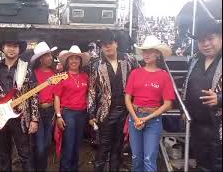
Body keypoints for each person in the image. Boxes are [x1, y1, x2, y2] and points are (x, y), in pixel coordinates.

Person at [87, 31, 138, 171]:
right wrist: (91, 114)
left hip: (126, 111)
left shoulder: (129, 60)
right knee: (103, 147)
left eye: (110, 43)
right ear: (101, 47)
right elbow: (91, 90)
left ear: (116, 43)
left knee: (118, 148)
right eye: (104, 45)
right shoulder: (96, 65)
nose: (107, 47)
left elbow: (139, 80)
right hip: (105, 112)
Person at [125, 35, 175, 172]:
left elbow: (168, 104)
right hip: (135, 118)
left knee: (149, 158)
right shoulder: (135, 73)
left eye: (150, 51)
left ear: (157, 54)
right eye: (144, 51)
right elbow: (127, 98)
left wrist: (146, 118)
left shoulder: (164, 75)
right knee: (136, 156)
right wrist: (135, 118)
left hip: (153, 119)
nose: (146, 54)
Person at [0, 35, 39, 171]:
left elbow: (34, 94)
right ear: (3, 48)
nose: (12, 49)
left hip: (21, 117)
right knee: (3, 155)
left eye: (15, 46)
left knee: (25, 155)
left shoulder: (27, 69)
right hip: (0, 116)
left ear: (19, 49)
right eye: (9, 46)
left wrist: (34, 119)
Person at [182, 19, 222, 172]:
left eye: (210, 38)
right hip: (198, 125)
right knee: (202, 164)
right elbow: (187, 86)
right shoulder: (194, 60)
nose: (205, 43)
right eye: (201, 40)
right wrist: (184, 110)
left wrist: (219, 99)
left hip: (218, 127)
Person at [54, 45, 90, 171]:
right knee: (68, 147)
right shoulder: (62, 76)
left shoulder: (85, 76)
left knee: (76, 146)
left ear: (80, 61)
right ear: (67, 61)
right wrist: (58, 116)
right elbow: (57, 97)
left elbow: (88, 95)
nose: (74, 61)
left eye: (77, 58)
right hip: (68, 113)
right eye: (71, 58)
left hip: (82, 113)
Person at [30, 41, 57, 171]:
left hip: (51, 111)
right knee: (40, 146)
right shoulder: (33, 73)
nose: (51, 58)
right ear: (41, 59)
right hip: (38, 111)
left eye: (50, 55)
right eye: (47, 55)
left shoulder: (54, 73)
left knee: (46, 145)